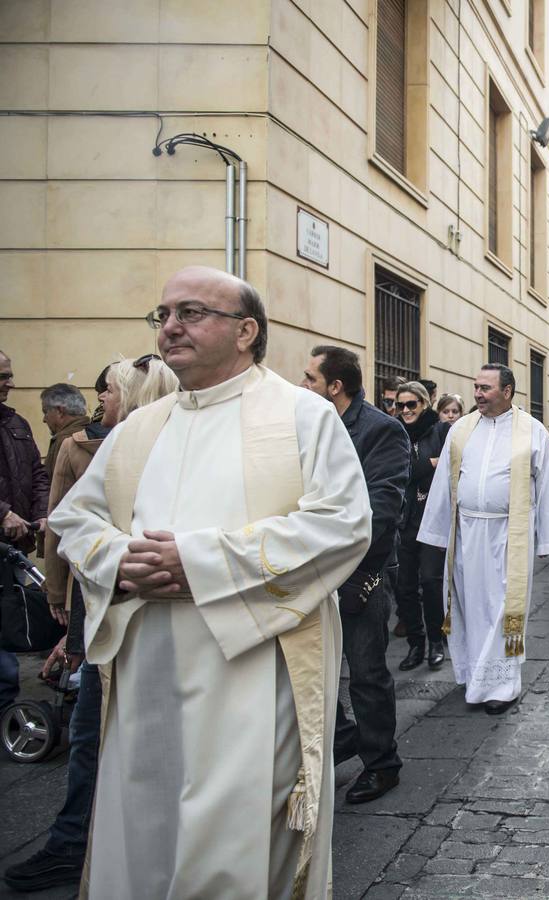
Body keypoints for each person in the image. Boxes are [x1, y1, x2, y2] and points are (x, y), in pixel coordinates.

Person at [47, 267, 372, 897]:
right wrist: (118, 560)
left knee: (234, 828)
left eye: (192, 312)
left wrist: (197, 563)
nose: (170, 327)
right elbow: (76, 518)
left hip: (252, 665)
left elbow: (342, 525)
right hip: (144, 666)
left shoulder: (302, 415)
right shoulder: (140, 428)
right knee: (144, 816)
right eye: (163, 314)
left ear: (246, 331)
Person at [3, 358, 177, 894]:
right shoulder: (89, 445)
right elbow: (65, 523)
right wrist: (62, 601)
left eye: (109, 391)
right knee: (88, 732)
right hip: (97, 604)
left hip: (134, 615)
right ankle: (77, 840)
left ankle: (84, 843)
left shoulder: (158, 450)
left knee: (96, 735)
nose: (100, 399)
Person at [418, 364, 549, 714]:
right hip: (466, 531)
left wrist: (548, 540)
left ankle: (501, 685)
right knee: (469, 602)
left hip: (507, 535)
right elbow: (444, 484)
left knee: (501, 607)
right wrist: (437, 533)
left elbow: (547, 485)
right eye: (476, 387)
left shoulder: (532, 431)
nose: (478, 394)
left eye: (485, 388)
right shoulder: (462, 429)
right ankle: (474, 675)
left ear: (508, 391)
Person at [302, 346, 411, 805]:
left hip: (361, 571)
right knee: (315, 671)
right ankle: (348, 736)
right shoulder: (311, 426)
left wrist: (353, 569)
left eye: (310, 378)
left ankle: (382, 764)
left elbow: (381, 508)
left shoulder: (381, 430)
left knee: (366, 674)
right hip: (315, 569)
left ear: (335, 386)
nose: (302, 385)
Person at [0, 348, 49, 712]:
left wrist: (42, 512)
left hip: (13, 547)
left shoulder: (17, 424)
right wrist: (3, 513)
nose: (11, 383)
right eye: (3, 376)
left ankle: (6, 702)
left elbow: (37, 474)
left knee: (12, 619)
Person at [389, 379, 449, 671]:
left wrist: (432, 465)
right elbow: (399, 472)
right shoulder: (394, 432)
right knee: (405, 586)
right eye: (400, 405)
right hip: (405, 520)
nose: (405, 410)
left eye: (411, 404)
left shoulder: (441, 431)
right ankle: (416, 643)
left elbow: (452, 465)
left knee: (430, 580)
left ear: (424, 403)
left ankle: (437, 642)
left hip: (433, 517)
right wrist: (430, 465)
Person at [39, 383, 90, 480]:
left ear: (60, 411)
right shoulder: (93, 432)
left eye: (46, 412)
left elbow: (57, 487)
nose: (44, 419)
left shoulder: (64, 440)